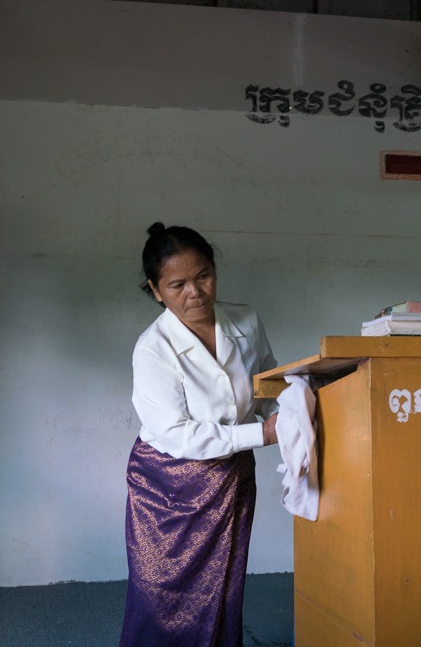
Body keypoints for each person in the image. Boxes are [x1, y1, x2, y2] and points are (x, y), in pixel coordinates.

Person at [119, 223, 279, 647]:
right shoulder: (153, 349)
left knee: (223, 583)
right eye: (178, 284)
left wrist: (293, 406)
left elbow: (266, 386)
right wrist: (263, 433)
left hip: (231, 475)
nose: (195, 292)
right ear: (156, 290)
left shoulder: (246, 320)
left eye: (203, 276)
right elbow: (176, 433)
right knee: (162, 593)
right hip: (168, 483)